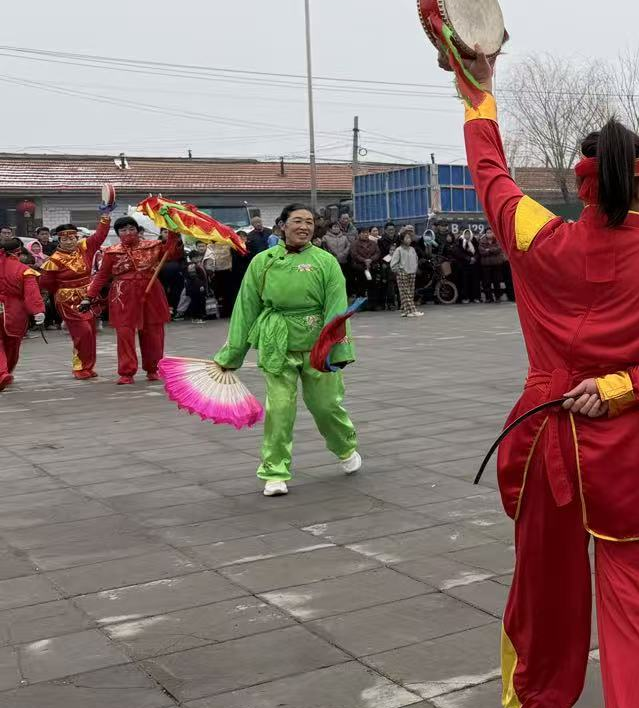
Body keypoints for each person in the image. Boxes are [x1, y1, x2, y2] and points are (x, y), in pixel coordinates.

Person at [437, 43, 639, 708]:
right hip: (632, 453)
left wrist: (478, 92)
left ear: (582, 182)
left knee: (546, 582)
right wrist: (626, 387)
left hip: (544, 441)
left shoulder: (540, 238)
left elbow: (491, 176)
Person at [213, 204, 362, 497]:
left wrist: (337, 350)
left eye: (309, 222)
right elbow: (246, 308)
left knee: (326, 406)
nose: (304, 227)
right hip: (276, 341)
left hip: (317, 343)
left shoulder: (325, 261)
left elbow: (336, 306)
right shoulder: (262, 262)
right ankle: (275, 471)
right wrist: (232, 355)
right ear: (282, 225)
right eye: (297, 221)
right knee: (279, 409)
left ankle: (345, 446)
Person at [85, 216, 181, 385]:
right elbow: (102, 276)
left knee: (154, 332)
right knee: (125, 332)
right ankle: (127, 372)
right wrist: (89, 297)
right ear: (118, 234)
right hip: (123, 294)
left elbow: (172, 252)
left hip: (150, 290)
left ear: (138, 230)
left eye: (131, 229)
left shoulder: (153, 246)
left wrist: (173, 232)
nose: (128, 233)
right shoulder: (111, 252)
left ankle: (153, 369)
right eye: (123, 230)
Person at [37, 204, 112, 379]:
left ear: (76, 238)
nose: (69, 241)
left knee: (91, 332)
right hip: (68, 299)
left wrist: (106, 216)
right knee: (82, 332)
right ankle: (79, 368)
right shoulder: (54, 260)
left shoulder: (84, 247)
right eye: (65, 239)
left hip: (88, 295)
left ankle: (88, 366)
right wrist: (63, 292)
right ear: (59, 240)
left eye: (72, 238)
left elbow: (100, 236)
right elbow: (46, 283)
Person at [0, 236, 46, 393]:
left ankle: (2, 372)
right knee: (13, 344)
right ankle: (5, 372)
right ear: (18, 253)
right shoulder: (24, 270)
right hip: (14, 311)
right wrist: (38, 311)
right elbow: (31, 293)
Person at [387, 228, 423, 317]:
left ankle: (405, 311)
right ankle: (413, 310)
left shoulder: (412, 249)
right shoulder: (398, 250)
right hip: (402, 274)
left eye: (410, 238)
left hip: (412, 273)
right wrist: (399, 271)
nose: (409, 240)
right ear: (402, 240)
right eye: (407, 238)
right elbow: (393, 264)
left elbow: (415, 260)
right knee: (406, 293)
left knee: (409, 293)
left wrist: (414, 269)